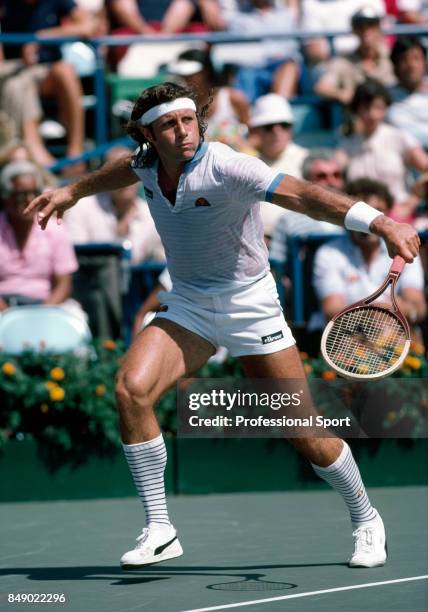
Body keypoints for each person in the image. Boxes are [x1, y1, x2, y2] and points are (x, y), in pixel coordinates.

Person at [24, 82, 420, 571]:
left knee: (302, 431)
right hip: (189, 303)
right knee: (132, 389)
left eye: (188, 120)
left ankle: (366, 519)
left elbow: (302, 195)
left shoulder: (229, 165)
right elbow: (119, 172)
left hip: (251, 305)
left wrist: (381, 223)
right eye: (169, 124)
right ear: (148, 134)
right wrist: (70, 191)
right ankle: (161, 528)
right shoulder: (146, 164)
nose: (183, 131)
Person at [312, 177, 426, 340]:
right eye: (363, 216)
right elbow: (332, 310)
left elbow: (418, 307)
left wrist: (401, 311)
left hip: (396, 339)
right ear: (347, 217)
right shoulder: (329, 253)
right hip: (348, 342)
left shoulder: (405, 250)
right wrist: (375, 313)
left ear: (387, 214)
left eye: (377, 213)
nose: (369, 223)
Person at [0, 0, 94, 168]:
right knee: (20, 81)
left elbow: (89, 26)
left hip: (45, 73)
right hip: (13, 70)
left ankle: (76, 152)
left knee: (66, 71)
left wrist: (43, 36)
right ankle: (33, 147)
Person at [340, 78, 428, 223]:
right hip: (359, 220)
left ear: (386, 108)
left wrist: (410, 203)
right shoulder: (347, 144)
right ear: (357, 109)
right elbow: (332, 173)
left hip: (399, 219)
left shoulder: (399, 137)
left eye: (378, 107)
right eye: (366, 107)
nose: (372, 114)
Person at [0, 161, 80, 314]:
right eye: (22, 194)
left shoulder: (55, 229)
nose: (30, 200)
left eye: (35, 193)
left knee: (75, 315)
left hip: (44, 303)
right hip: (3, 304)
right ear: (6, 196)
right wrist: (6, 313)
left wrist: (41, 313)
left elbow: (64, 284)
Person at [64, 146, 165, 264]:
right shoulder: (81, 208)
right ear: (105, 177)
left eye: (131, 172)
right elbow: (77, 257)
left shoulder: (153, 214)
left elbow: (164, 260)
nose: (124, 180)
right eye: (117, 174)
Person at [247, 93, 308, 240]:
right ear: (257, 131)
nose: (277, 132)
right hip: (258, 242)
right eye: (269, 127)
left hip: (300, 241)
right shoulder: (247, 164)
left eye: (284, 125)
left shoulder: (306, 159)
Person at [269, 148, 345, 265]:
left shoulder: (357, 215)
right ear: (307, 182)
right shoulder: (288, 221)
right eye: (322, 176)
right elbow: (277, 268)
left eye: (336, 175)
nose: (331, 181)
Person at [166, 48, 250, 150]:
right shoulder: (180, 106)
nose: (184, 79)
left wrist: (242, 146)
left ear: (205, 72)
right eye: (181, 75)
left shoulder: (234, 98)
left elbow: (255, 135)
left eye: (190, 75)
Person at [314, 6, 396, 105]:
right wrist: (341, 94)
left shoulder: (392, 58)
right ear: (354, 30)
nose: (366, 30)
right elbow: (322, 88)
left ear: (379, 28)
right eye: (360, 26)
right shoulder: (343, 62)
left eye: (371, 25)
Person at [388, 36, 428, 148]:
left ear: (425, 63)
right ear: (395, 66)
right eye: (404, 59)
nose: (411, 65)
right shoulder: (385, 97)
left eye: (416, 58)